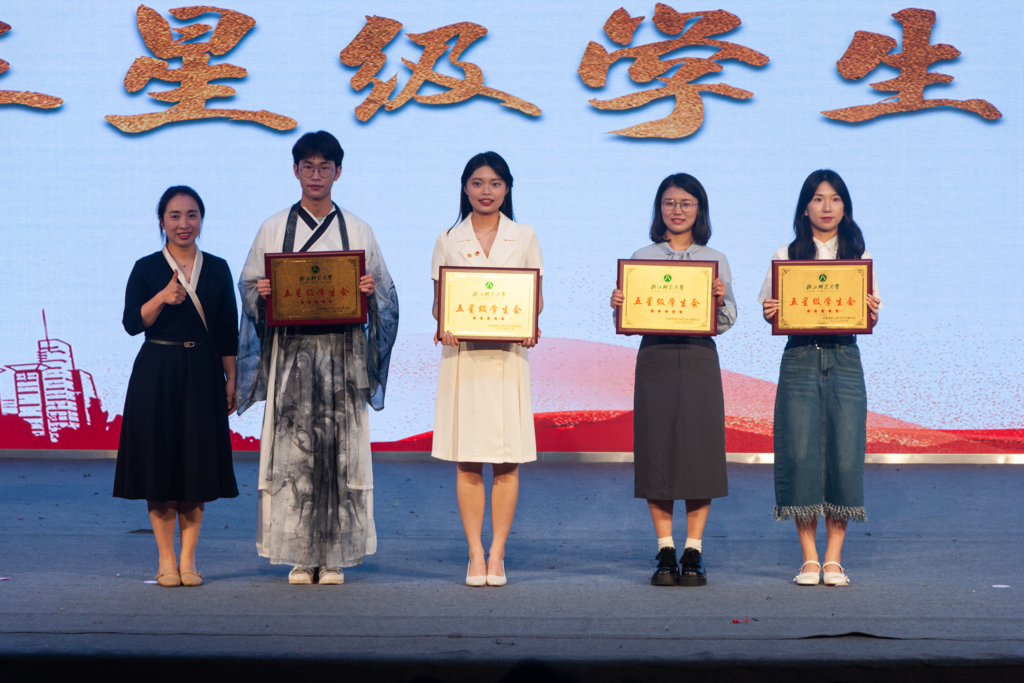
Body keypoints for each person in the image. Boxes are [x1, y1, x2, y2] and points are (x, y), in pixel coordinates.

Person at [236, 131, 399, 585]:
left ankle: (333, 557)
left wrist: (368, 293)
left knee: (339, 455)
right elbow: (248, 289)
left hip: (342, 356)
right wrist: (261, 294)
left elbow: (386, 296)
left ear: (338, 172)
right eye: (307, 167)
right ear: (295, 171)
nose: (315, 175)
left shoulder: (358, 229)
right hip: (292, 356)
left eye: (324, 167)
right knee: (294, 456)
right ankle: (298, 555)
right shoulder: (273, 228)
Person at [610, 173, 736, 587]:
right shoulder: (642, 256)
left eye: (686, 203)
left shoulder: (715, 258)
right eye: (669, 203)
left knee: (700, 452)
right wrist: (619, 305)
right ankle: (665, 548)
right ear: (659, 208)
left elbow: (727, 321)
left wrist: (719, 297)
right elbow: (630, 320)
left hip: (699, 358)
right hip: (656, 358)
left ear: (699, 209)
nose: (677, 210)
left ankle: (693, 550)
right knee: (657, 450)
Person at [758, 169, 881, 587]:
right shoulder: (786, 254)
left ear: (845, 207)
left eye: (835, 199)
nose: (826, 207)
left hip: (844, 356)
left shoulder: (859, 258)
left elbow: (870, 316)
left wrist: (870, 312)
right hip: (799, 357)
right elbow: (770, 311)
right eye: (818, 198)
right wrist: (772, 311)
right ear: (805, 207)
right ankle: (809, 558)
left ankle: (834, 558)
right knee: (800, 453)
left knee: (844, 454)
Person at [114, 185, 240, 588]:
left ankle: (189, 559)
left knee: (195, 464)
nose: (184, 223)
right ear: (161, 221)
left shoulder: (217, 268)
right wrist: (162, 297)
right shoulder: (146, 267)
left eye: (191, 215)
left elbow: (227, 329)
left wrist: (232, 378)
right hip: (157, 371)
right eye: (174, 216)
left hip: (203, 371)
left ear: (201, 219)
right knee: (160, 463)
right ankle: (165, 559)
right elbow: (131, 323)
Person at [430, 152, 543, 587]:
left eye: (495, 183)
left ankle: (498, 553)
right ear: (465, 188)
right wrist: (446, 325)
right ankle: (474, 553)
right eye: (477, 183)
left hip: (508, 359)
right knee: (468, 459)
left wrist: (529, 326)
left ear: (507, 188)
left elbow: (535, 298)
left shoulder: (525, 235)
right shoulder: (448, 238)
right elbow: (440, 305)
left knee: (508, 460)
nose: (486, 191)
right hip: (465, 360)